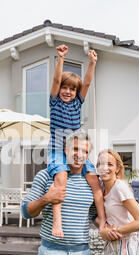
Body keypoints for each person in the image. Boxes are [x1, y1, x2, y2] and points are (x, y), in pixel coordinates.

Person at [21, 131, 120, 255]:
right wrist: (47, 199)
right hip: (51, 253)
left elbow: (94, 216)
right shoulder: (46, 176)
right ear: (65, 149)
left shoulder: (91, 182)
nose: (79, 155)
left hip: (80, 254)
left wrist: (106, 227)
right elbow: (25, 212)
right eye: (75, 149)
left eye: (85, 151)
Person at [48, 44, 106, 238]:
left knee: (94, 180)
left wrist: (92, 62)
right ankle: (58, 222)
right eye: (64, 88)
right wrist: (61, 59)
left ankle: (101, 219)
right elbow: (56, 78)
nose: (67, 91)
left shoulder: (77, 102)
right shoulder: (55, 100)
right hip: (58, 148)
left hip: (77, 147)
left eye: (72, 89)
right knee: (61, 178)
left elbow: (87, 83)